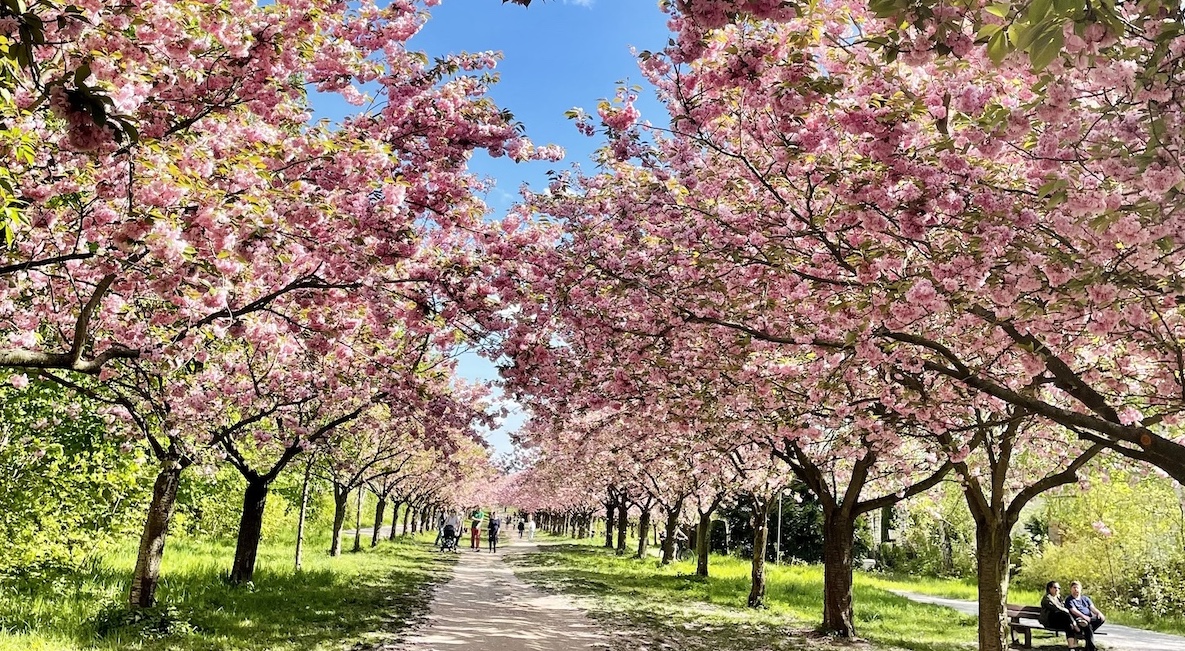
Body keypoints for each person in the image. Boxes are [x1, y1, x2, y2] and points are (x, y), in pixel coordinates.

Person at [1039, 581, 1095, 651]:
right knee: (1065, 615)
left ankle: (1072, 647)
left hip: (1060, 620)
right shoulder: (1047, 598)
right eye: (1055, 588)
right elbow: (1057, 609)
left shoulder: (1058, 597)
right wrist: (1068, 613)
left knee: (1070, 625)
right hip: (1050, 621)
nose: (1057, 590)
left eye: (1058, 588)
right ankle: (1075, 626)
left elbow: (1065, 608)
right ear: (1050, 588)